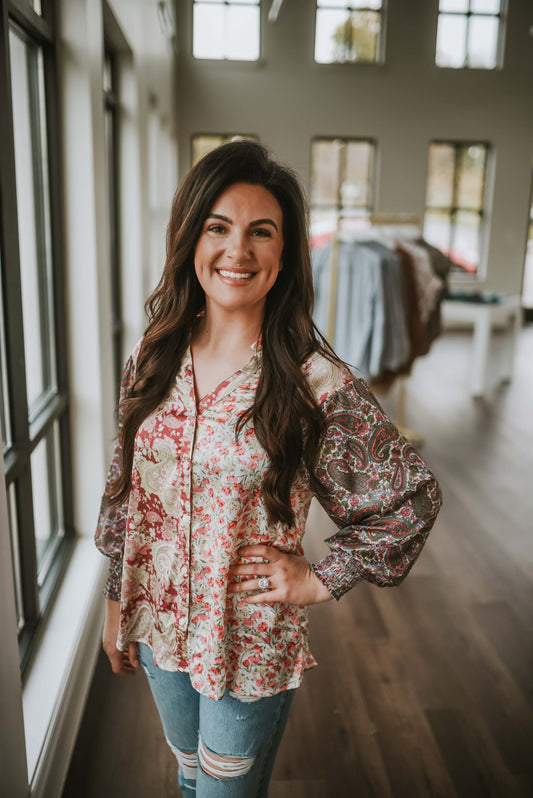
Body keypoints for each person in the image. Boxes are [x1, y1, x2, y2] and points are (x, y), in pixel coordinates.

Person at [95, 140, 442, 798]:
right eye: (217, 228)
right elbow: (125, 489)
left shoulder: (314, 382)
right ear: (190, 238)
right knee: (188, 779)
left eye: (261, 232)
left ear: (284, 256)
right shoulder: (152, 355)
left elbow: (410, 499)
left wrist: (319, 576)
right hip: (162, 626)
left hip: (247, 640)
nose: (237, 251)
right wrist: (117, 600)